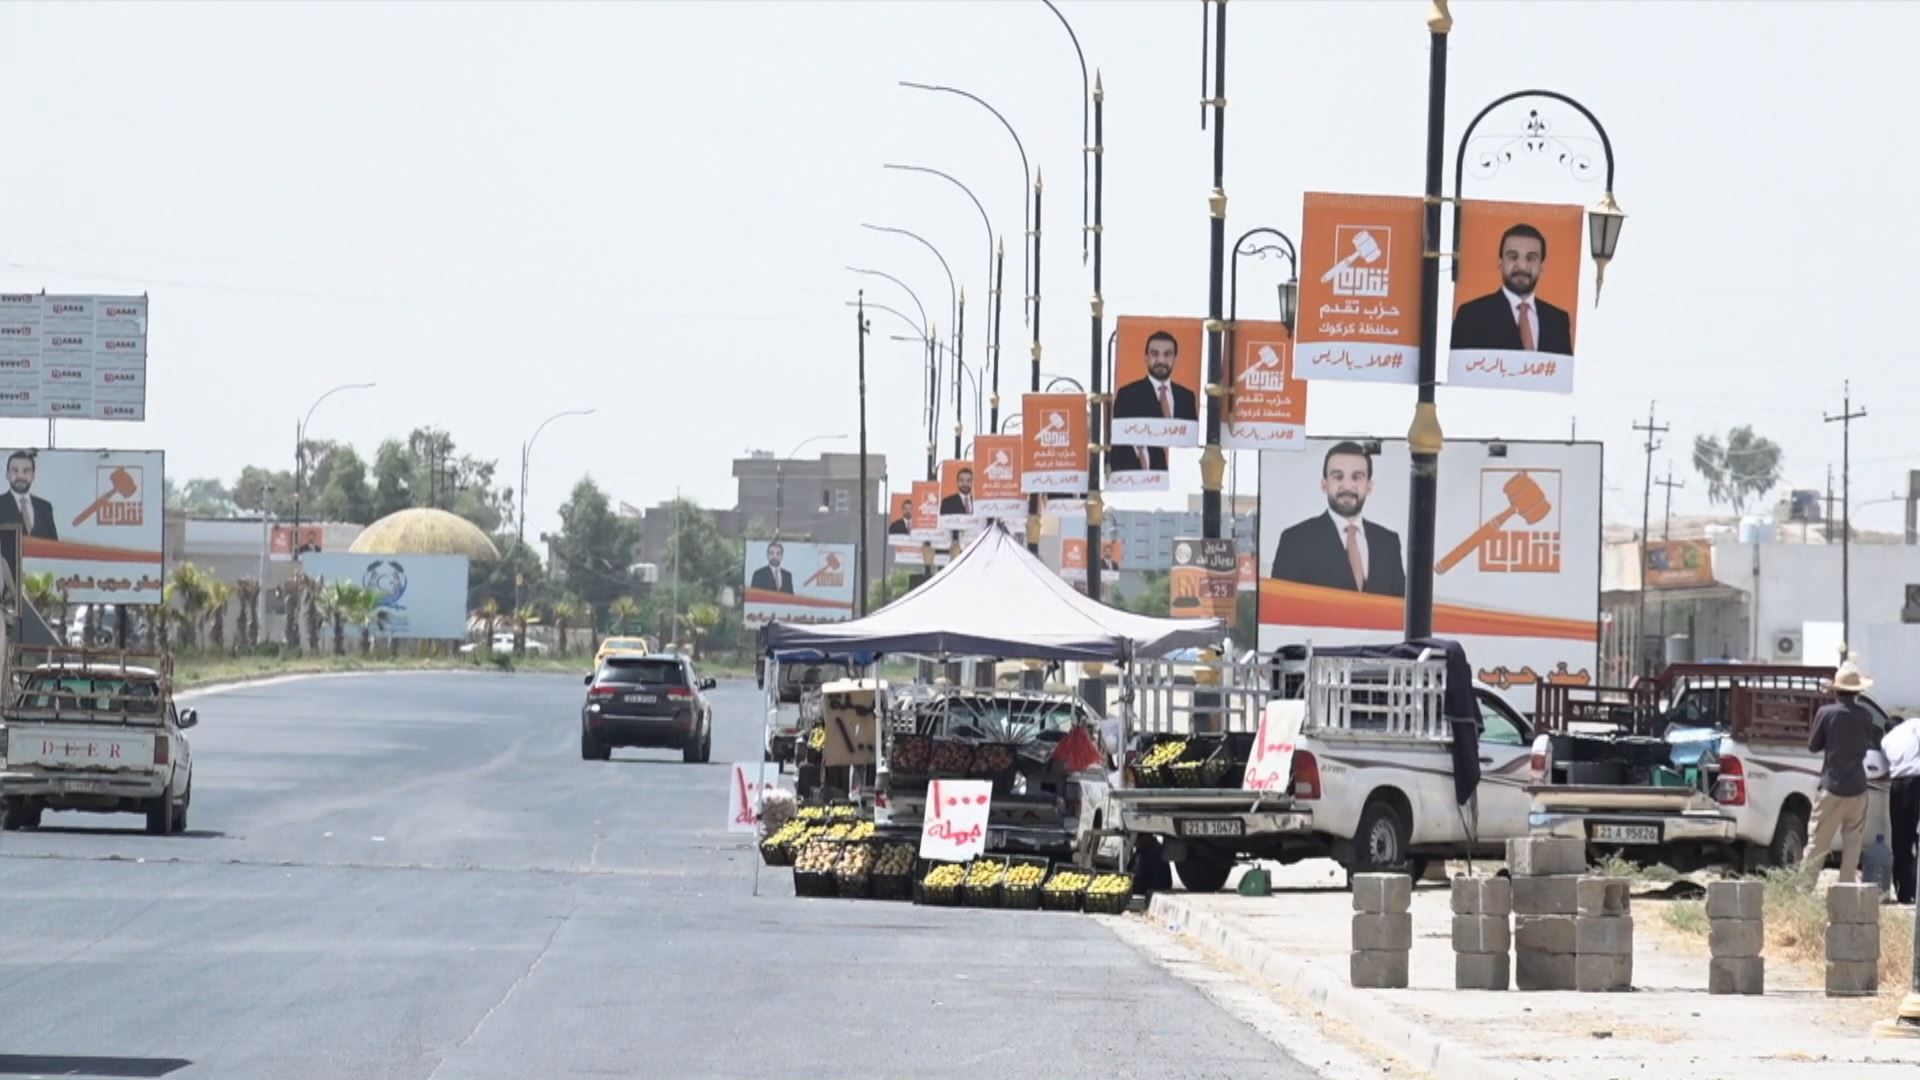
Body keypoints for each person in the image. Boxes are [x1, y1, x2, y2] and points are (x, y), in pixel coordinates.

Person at [1270, 441, 1405, 596]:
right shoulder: (1295, 540)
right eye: (1338, 477)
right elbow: (1279, 608)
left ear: (1369, 486)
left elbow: (1401, 611)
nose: (1347, 486)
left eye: (1357, 477)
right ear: (1324, 485)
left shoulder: (1389, 543)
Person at [1800, 652, 1884, 884]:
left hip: (1832, 786)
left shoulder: (1826, 714)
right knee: (1853, 845)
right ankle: (1846, 893)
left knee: (1818, 843)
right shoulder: (1866, 716)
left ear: (1836, 690)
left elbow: (1813, 745)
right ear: (1858, 692)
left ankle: (1803, 891)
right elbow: (1866, 744)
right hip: (1858, 787)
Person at [1449, 223, 1574, 355]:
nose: (1522, 266)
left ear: (1541, 266)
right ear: (1500, 263)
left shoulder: (1558, 321)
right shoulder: (1471, 316)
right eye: (1513, 257)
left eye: (1531, 258)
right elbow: (1461, 372)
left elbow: (1562, 373)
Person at [1112, 330, 1198, 422]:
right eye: (1155, 354)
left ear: (1174, 359)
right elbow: (1119, 434)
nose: (1161, 360)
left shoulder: (1187, 397)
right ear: (1146, 358)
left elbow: (1190, 434)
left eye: (1167, 354)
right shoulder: (1127, 396)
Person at [1884, 712, 1920, 904]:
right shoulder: (1914, 724)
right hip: (1917, 780)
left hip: (1897, 785)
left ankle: (1903, 892)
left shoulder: (1885, 741)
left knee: (1900, 839)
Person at [0, 451, 58, 541]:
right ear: (7, 475)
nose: (20, 476)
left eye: (26, 471)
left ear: (33, 475)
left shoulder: (45, 507)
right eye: (15, 470)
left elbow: (54, 546)